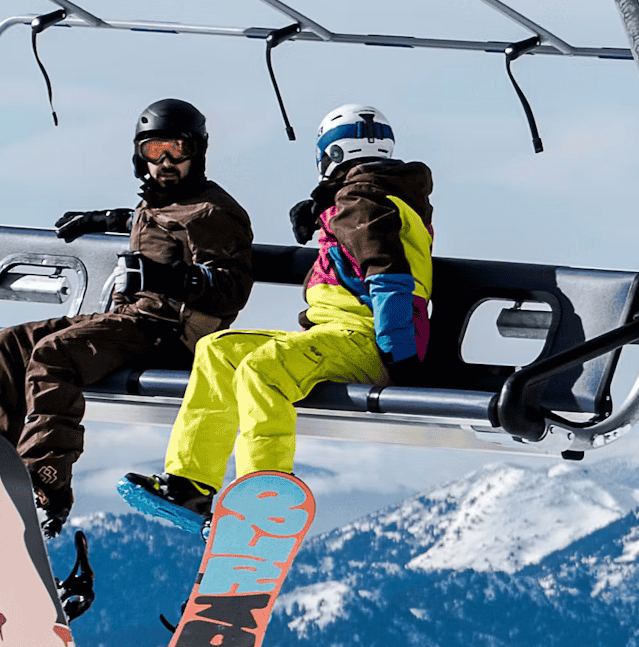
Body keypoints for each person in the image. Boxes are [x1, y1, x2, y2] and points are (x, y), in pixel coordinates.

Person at [0, 98, 253, 537]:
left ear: (198, 151)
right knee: (10, 345)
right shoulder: (164, 201)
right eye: (154, 151)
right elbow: (151, 220)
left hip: (171, 334)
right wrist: (104, 218)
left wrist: (167, 277)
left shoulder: (214, 213)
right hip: (133, 320)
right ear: (139, 155)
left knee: (55, 354)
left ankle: (44, 485)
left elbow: (230, 288)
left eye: (177, 149)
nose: (166, 162)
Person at [122, 103, 432, 531]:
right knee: (219, 350)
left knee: (262, 369)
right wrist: (324, 207)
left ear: (332, 155)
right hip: (336, 335)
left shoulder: (363, 204)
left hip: (367, 341)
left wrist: (400, 358)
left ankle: (262, 498)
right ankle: (190, 485)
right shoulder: (363, 198)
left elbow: (390, 279)